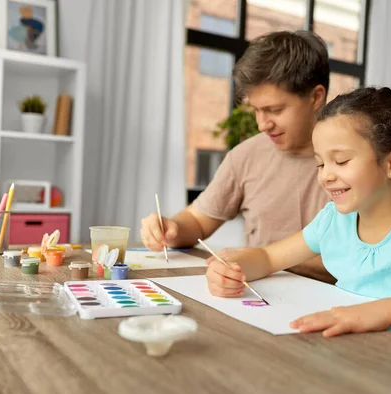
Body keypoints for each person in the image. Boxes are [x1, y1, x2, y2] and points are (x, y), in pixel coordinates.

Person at [204, 87, 391, 337]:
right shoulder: (333, 220)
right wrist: (233, 266)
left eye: (341, 161)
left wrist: (384, 310)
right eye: (321, 163)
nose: (325, 175)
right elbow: (270, 258)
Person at [140, 31, 334, 283]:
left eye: (274, 110)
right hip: (257, 299)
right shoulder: (246, 155)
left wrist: (263, 258)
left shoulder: (353, 159)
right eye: (255, 110)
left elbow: (364, 256)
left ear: (316, 97)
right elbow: (198, 221)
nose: (262, 123)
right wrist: (171, 229)